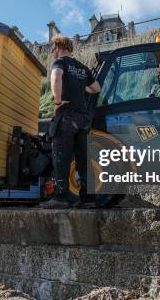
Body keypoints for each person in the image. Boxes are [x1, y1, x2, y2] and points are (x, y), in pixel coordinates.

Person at [41, 35, 101, 209]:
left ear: (58, 47)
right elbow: (96, 88)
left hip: (66, 115)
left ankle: (60, 197)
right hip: (83, 120)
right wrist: (80, 86)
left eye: (53, 49)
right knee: (83, 160)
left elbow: (55, 77)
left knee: (61, 156)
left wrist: (58, 102)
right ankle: (88, 199)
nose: (52, 53)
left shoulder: (61, 63)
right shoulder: (82, 68)